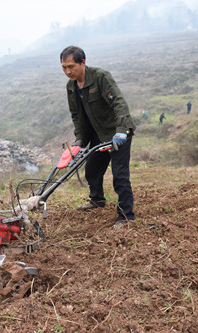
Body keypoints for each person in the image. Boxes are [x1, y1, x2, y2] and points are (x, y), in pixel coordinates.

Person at [60, 45, 136, 226]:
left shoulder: (100, 77)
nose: (68, 71)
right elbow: (76, 115)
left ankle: (126, 216)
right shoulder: (71, 87)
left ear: (83, 62)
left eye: (71, 66)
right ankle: (97, 200)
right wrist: (80, 139)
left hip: (117, 132)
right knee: (92, 170)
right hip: (97, 134)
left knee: (120, 176)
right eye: (64, 67)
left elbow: (119, 102)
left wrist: (121, 131)